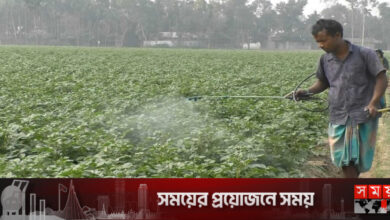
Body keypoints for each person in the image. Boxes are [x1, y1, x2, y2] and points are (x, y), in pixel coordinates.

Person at [296, 19, 388, 178]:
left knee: (356, 159)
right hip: (338, 114)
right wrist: (306, 92)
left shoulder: (365, 54)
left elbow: (381, 79)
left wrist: (373, 103)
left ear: (337, 35)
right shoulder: (325, 60)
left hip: (363, 114)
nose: (321, 45)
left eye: (323, 40)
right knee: (345, 159)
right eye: (318, 42)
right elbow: (323, 82)